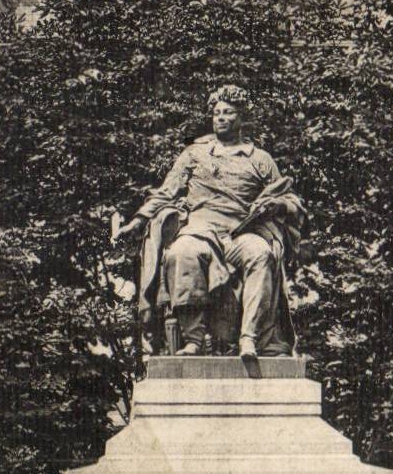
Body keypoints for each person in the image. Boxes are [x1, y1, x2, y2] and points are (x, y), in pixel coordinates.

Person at [113, 84, 304, 359]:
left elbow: (291, 199)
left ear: (242, 118)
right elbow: (166, 192)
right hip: (200, 228)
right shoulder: (194, 154)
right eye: (217, 113)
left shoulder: (260, 159)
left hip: (241, 231)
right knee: (181, 253)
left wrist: (278, 203)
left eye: (228, 113)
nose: (221, 118)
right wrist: (138, 220)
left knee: (261, 254)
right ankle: (193, 339)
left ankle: (249, 338)